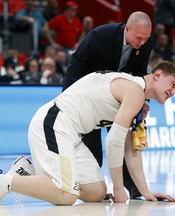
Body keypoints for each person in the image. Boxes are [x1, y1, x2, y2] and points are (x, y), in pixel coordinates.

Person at [0, 61, 175, 208]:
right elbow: (113, 141)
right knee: (67, 195)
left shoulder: (140, 102)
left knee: (95, 192)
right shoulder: (134, 90)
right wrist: (120, 187)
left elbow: (130, 148)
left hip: (72, 134)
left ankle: (25, 171)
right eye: (172, 84)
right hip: (54, 123)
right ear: (157, 74)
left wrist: (145, 192)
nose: (173, 91)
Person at [63, 11, 154, 199]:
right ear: (127, 29)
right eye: (139, 38)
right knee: (92, 144)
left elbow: (140, 75)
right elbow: (76, 65)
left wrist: (143, 101)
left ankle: (133, 186)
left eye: (146, 38)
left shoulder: (146, 44)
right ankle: (92, 186)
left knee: (123, 140)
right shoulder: (100, 36)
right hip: (89, 97)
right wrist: (67, 100)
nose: (142, 42)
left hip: (119, 97)